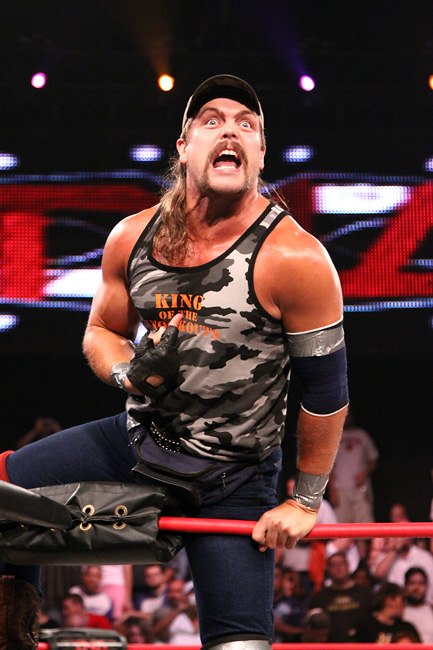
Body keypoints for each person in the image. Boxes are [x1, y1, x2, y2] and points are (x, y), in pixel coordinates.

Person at [0, 74, 349, 650]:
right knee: (7, 492)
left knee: (240, 645)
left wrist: (305, 500)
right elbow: (102, 331)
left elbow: (327, 390)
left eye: (246, 124)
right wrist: (126, 372)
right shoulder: (132, 237)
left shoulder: (296, 258)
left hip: (234, 476)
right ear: (184, 147)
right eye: (212, 120)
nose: (230, 131)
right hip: (141, 439)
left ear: (261, 153)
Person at [328, 410, 378, 523]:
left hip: (360, 487)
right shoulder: (335, 436)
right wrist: (332, 490)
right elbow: (329, 466)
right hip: (340, 488)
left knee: (365, 524)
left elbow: (374, 459)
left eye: (349, 414)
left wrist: (365, 472)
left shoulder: (362, 435)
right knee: (341, 525)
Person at [309, 551, 372, 642]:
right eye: (334, 564)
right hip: (331, 645)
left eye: (341, 563)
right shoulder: (320, 597)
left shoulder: (365, 593)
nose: (338, 567)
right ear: (328, 569)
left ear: (348, 566)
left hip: (361, 644)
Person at [372, 536, 433, 604]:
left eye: (405, 534)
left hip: (420, 605)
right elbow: (378, 574)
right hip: (393, 606)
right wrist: (395, 550)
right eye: (399, 534)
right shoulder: (385, 556)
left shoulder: (425, 557)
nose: (403, 538)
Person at [355, 582, 420, 643]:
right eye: (402, 601)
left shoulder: (407, 628)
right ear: (389, 600)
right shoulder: (365, 628)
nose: (404, 605)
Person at [402, 567, 433, 643]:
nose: (416, 588)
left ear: (427, 586)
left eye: (421, 583)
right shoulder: (399, 612)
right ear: (405, 586)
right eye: (412, 583)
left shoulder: (431, 610)